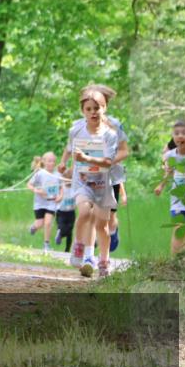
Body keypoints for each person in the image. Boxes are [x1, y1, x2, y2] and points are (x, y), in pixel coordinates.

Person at [60, 83, 129, 270]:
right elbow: (75, 150)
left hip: (110, 177)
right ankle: (89, 256)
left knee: (104, 221)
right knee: (86, 213)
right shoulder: (77, 127)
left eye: (97, 106)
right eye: (87, 107)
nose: (92, 111)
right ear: (82, 108)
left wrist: (104, 162)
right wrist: (71, 167)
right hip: (85, 178)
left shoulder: (113, 127)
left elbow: (123, 152)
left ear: (104, 105)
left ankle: (110, 238)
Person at [154, 120, 185, 255]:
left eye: (184, 133)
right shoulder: (171, 155)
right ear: (173, 137)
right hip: (178, 200)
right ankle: (176, 260)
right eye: (176, 133)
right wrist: (160, 186)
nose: (180, 136)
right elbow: (168, 172)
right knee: (179, 229)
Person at [27, 152, 63, 253]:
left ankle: (46, 244)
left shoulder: (58, 175)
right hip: (39, 203)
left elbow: (61, 188)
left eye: (53, 161)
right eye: (49, 161)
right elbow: (29, 184)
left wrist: (60, 196)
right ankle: (34, 227)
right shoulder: (40, 173)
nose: (51, 163)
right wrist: (36, 190)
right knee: (40, 223)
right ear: (44, 162)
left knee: (48, 223)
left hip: (51, 203)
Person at [55, 177, 76, 253]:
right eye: (66, 180)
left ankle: (67, 249)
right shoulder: (62, 188)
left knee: (70, 230)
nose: (68, 182)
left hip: (71, 212)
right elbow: (58, 198)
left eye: (70, 180)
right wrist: (59, 198)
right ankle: (60, 234)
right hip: (61, 212)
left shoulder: (74, 188)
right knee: (61, 227)